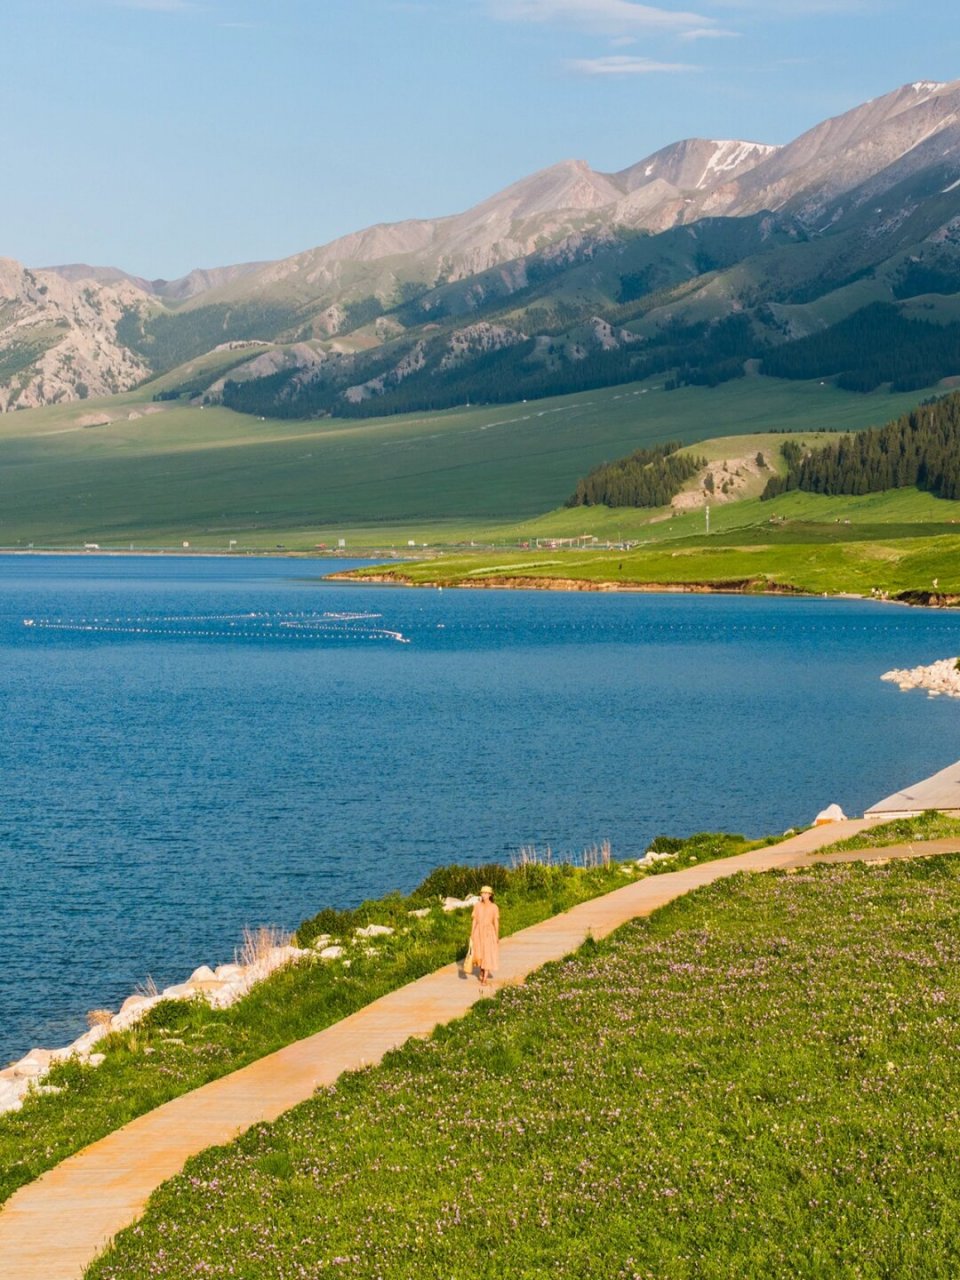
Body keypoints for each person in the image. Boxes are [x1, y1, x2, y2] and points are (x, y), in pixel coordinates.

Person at [470, 885, 500, 987]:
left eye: (486, 893)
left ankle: (485, 979)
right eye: (482, 893)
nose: (484, 895)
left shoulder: (494, 907)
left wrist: (497, 935)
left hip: (489, 932)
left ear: (490, 895)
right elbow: (474, 920)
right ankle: (482, 970)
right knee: (479, 954)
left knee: (487, 953)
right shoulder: (477, 905)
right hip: (478, 931)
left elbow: (496, 921)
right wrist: (472, 933)